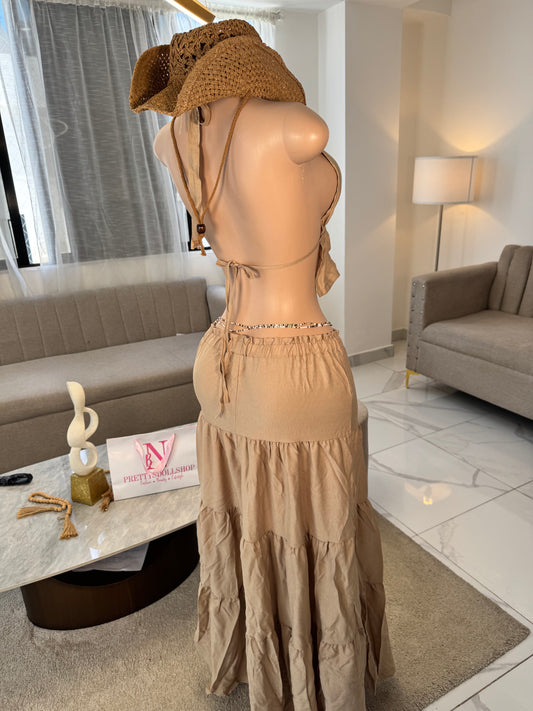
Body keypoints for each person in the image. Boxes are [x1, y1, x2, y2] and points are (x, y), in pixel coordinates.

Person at [130, 19, 394, 710]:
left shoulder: (173, 138)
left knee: (247, 520)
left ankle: (256, 658)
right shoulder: (296, 128)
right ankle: (314, 675)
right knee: (317, 526)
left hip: (222, 353)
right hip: (293, 362)